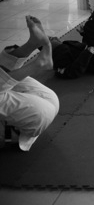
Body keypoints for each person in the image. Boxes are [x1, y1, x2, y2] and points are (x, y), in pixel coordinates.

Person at [1, 16, 59, 151]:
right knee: (41, 111)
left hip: (44, 105)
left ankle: (32, 45)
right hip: (18, 129)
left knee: (47, 102)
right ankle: (35, 62)